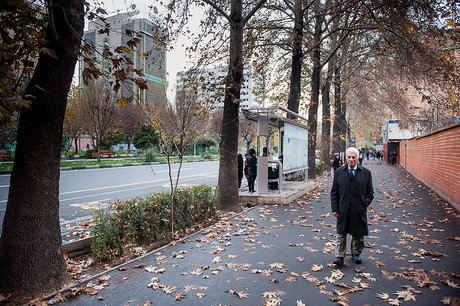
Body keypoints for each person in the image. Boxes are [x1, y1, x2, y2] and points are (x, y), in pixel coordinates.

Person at [330, 147, 374, 266]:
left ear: (358, 158)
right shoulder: (339, 172)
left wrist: (364, 203)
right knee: (341, 232)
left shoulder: (366, 173)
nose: (351, 159)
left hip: (358, 208)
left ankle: (356, 253)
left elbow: (370, 193)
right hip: (343, 207)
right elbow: (334, 192)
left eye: (353, 157)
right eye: (349, 157)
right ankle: (339, 255)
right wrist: (335, 208)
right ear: (346, 158)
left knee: (358, 233)